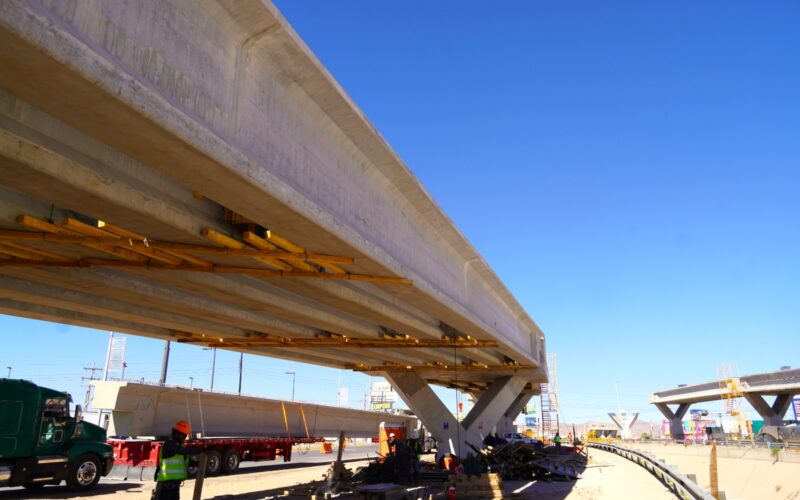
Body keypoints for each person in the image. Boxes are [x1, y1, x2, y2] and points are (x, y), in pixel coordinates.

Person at [153, 420, 203, 500]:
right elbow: (182, 451)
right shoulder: (169, 444)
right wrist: (199, 450)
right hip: (166, 487)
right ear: (176, 433)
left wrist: (197, 463)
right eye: (183, 435)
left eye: (185, 435)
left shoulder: (179, 447)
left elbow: (186, 461)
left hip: (174, 487)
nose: (184, 438)